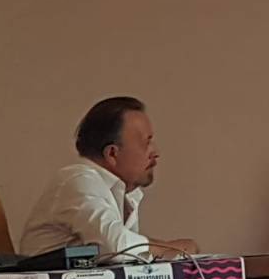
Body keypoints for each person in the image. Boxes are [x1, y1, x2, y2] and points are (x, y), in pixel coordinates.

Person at [20, 96, 198, 259]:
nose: (155, 152)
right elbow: (117, 249)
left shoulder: (123, 193)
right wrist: (171, 248)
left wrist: (168, 249)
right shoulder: (77, 179)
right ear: (112, 153)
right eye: (146, 142)